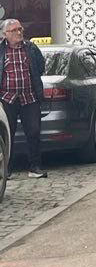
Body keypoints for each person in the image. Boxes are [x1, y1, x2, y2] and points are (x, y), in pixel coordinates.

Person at [0, 18, 47, 179]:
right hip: (7, 99)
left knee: (33, 132)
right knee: (7, 133)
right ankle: (6, 170)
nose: (19, 32)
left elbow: (41, 66)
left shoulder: (30, 48)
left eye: (20, 29)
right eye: (14, 30)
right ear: (5, 34)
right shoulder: (1, 50)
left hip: (29, 98)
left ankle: (35, 167)